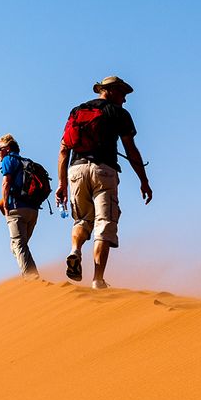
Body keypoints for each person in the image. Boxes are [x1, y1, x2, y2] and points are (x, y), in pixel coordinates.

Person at [54, 75, 153, 290]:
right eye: (122, 94)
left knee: (81, 220)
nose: (125, 99)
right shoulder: (119, 113)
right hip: (104, 171)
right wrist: (144, 181)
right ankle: (98, 279)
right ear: (111, 91)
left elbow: (63, 149)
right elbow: (131, 151)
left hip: (76, 171)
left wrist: (62, 184)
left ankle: (75, 251)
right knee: (104, 224)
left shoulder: (77, 111)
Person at [0, 134, 40, 278]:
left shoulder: (9, 159)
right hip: (33, 210)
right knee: (18, 246)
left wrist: (6, 206)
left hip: (17, 208)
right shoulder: (27, 162)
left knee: (18, 245)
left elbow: (6, 183)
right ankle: (28, 274)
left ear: (7, 149)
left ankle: (32, 278)